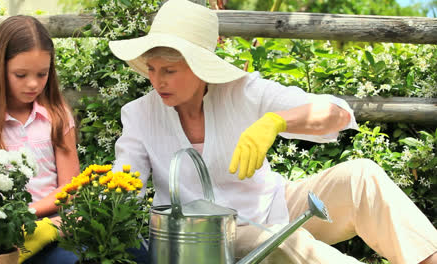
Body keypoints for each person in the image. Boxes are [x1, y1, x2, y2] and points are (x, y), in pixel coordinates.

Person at [109, 0, 437, 263]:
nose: (157, 81)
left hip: (274, 203)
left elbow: (337, 113)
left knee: (361, 176)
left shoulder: (243, 91)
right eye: (151, 69)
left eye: (169, 71)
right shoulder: (139, 114)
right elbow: (125, 187)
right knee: (279, 239)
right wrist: (94, 213)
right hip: (209, 236)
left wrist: (275, 121)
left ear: (200, 68)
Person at [0, 15, 80, 264]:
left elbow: (70, 187)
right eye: (20, 75)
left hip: (53, 226)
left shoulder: (57, 116)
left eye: (42, 74)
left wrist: (28, 215)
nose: (33, 84)